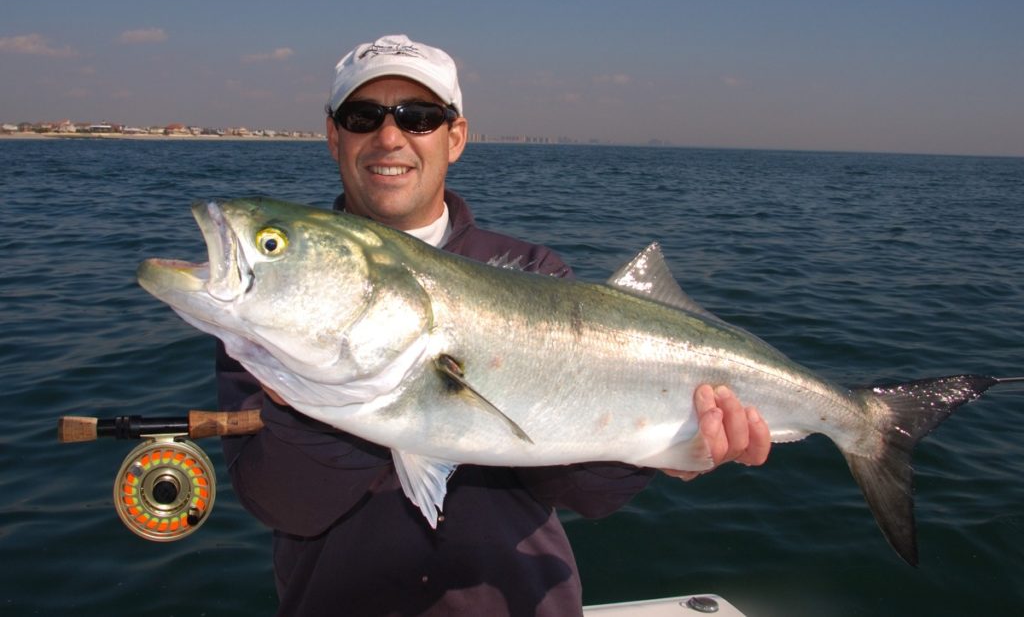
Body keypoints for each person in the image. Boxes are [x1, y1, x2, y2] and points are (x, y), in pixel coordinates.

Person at [217, 34, 771, 616]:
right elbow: (282, 504)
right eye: (363, 116)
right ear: (334, 135)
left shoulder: (537, 275)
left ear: (455, 137)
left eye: (419, 117)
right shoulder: (271, 306)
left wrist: (672, 447)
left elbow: (586, 493)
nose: (389, 137)